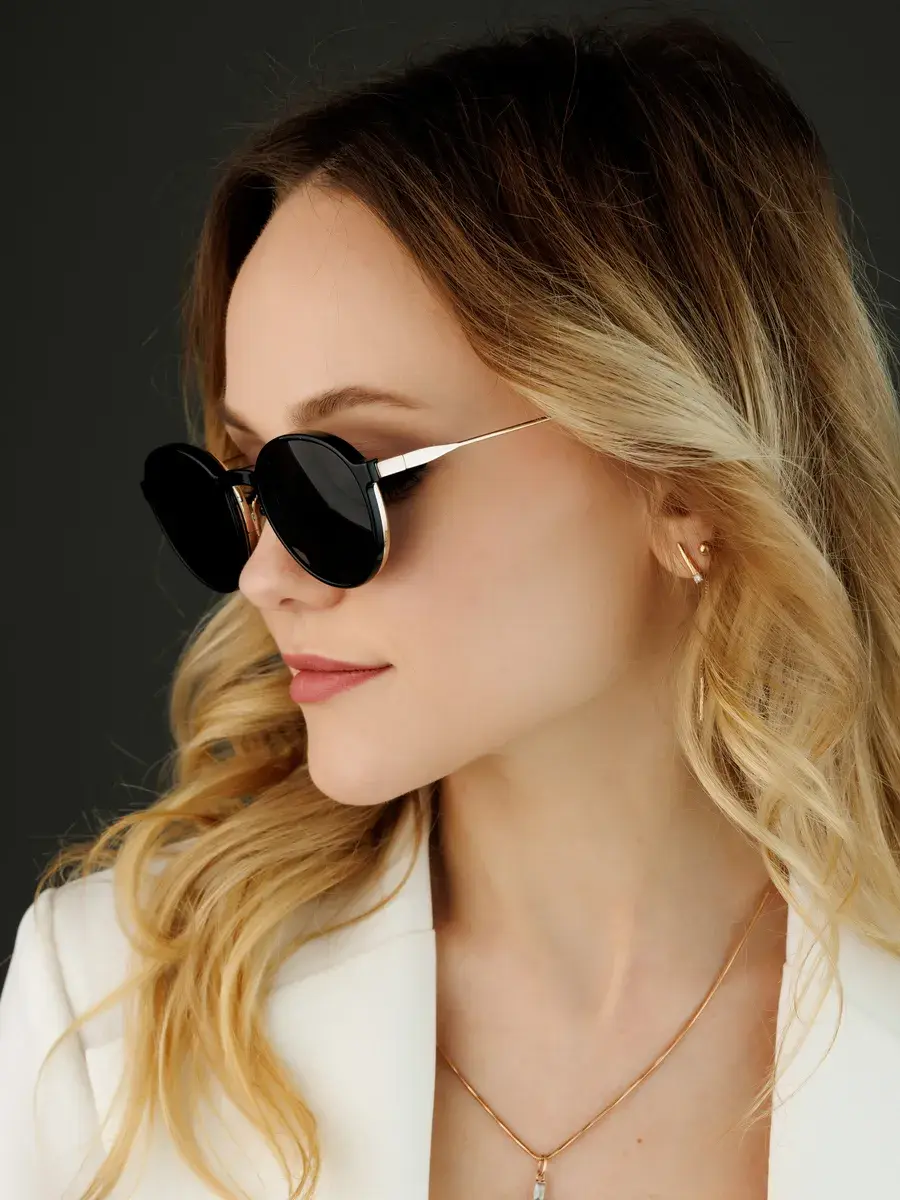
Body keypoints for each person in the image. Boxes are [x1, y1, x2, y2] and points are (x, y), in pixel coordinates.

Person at [3, 13, 900, 1200]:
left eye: (343, 480)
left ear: (684, 483)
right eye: (243, 482)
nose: (266, 576)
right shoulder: (105, 1014)